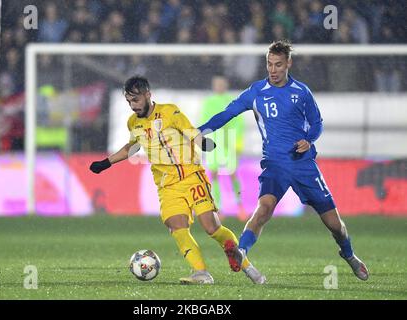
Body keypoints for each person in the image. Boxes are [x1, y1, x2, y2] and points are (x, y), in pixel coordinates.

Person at [197, 40, 369, 282]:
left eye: (278, 64)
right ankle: (241, 252)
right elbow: (228, 112)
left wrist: (308, 139)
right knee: (263, 209)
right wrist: (201, 130)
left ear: (289, 63)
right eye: (269, 64)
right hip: (275, 165)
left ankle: (350, 255)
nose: (273, 70)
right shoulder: (256, 92)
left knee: (334, 224)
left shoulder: (302, 92)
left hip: (304, 165)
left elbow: (317, 124)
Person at [89, 76, 265, 285]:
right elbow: (133, 146)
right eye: (129, 102)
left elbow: (191, 132)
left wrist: (203, 143)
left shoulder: (170, 111)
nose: (133, 106)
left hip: (192, 176)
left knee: (212, 228)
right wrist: (106, 162)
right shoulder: (133, 123)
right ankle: (201, 272)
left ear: (147, 95)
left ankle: (248, 267)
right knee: (177, 227)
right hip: (167, 186)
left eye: (135, 100)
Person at [199, 75, 247, 221]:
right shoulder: (209, 102)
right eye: (216, 84)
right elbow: (204, 122)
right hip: (214, 142)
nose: (219, 86)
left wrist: (238, 142)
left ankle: (240, 207)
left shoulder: (232, 101)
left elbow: (239, 123)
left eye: (221, 84)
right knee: (213, 175)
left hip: (229, 142)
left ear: (225, 85)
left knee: (233, 174)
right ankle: (218, 208)